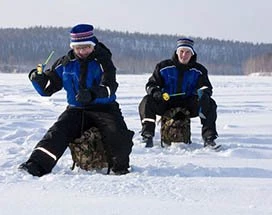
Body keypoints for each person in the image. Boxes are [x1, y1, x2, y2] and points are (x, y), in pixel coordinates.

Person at [19, 24, 134, 176]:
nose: (82, 51)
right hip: (76, 109)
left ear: (93, 45)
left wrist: (92, 94)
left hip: (105, 108)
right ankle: (36, 165)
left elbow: (110, 86)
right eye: (78, 48)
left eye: (86, 47)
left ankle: (119, 169)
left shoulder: (103, 61)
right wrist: (38, 79)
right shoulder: (65, 64)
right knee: (57, 132)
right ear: (73, 47)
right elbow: (48, 89)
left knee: (117, 134)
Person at [138, 38, 218, 148]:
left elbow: (205, 87)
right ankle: (147, 136)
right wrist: (156, 93)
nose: (184, 55)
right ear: (177, 52)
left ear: (192, 54)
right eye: (182, 51)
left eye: (187, 52)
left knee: (210, 103)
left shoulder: (199, 70)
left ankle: (209, 138)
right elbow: (151, 85)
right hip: (166, 102)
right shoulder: (163, 67)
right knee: (147, 101)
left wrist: (204, 94)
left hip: (189, 103)